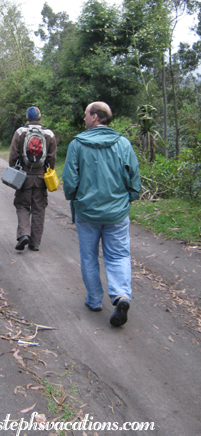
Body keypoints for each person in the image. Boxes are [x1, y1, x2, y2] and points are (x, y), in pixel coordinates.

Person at [62, 102, 141, 327]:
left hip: (87, 213)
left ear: (95, 117)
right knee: (118, 255)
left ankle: (95, 300)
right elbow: (133, 176)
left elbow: (70, 180)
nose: (84, 118)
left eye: (86, 114)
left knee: (89, 256)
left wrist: (74, 198)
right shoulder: (123, 143)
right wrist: (129, 198)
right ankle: (121, 295)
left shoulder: (77, 144)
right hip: (117, 213)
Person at [9, 106, 57, 252]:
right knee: (39, 209)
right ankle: (35, 243)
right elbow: (52, 157)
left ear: (27, 118)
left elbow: (13, 155)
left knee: (22, 205)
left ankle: (24, 234)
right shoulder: (49, 134)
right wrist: (49, 171)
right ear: (40, 117)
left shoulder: (20, 132)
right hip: (41, 176)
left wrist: (14, 169)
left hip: (23, 176)